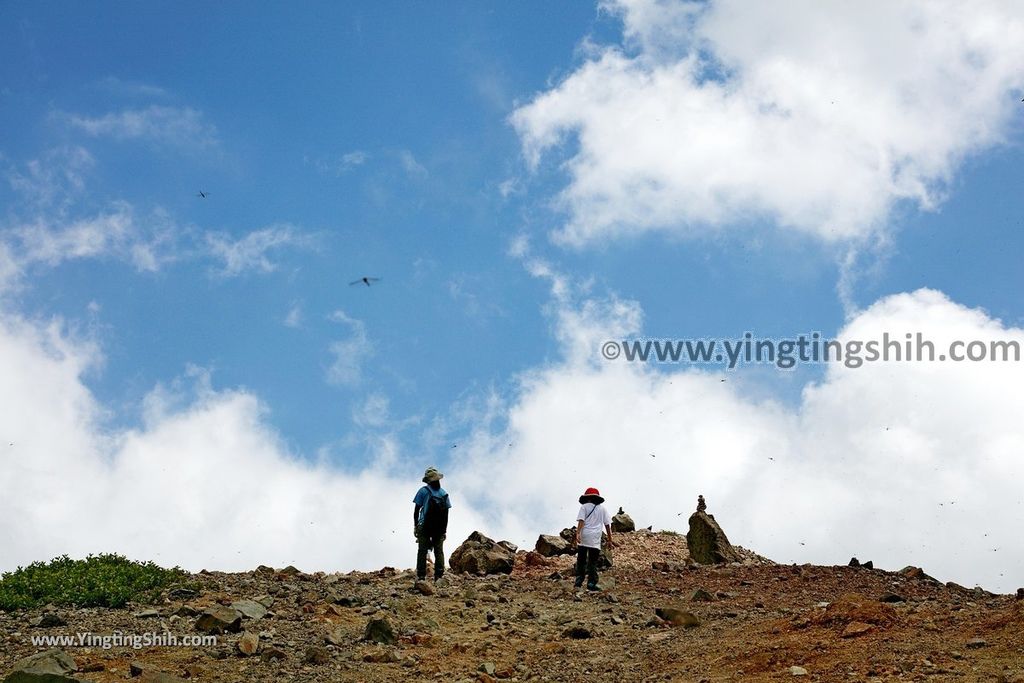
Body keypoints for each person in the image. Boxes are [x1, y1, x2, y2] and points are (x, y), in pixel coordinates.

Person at [413, 467, 452, 582]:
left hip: (424, 525)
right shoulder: (444, 494)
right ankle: (439, 576)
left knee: (422, 550)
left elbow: (416, 510)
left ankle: (421, 576)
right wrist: (444, 530)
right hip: (439, 528)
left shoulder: (423, 491)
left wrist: (416, 526)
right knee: (439, 551)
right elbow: (446, 514)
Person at [574, 486, 614, 591]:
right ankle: (591, 583)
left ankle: (578, 581)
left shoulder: (584, 507)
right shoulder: (603, 509)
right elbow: (607, 525)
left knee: (581, 560)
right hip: (595, 538)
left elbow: (581, 521)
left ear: (587, 497)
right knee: (592, 562)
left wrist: (577, 533)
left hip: (584, 537)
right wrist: (610, 540)